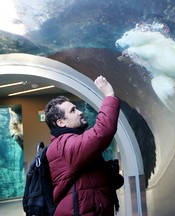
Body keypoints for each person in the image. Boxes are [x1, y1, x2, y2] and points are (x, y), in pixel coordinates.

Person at [44, 75, 121, 216]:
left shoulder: (69, 141)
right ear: (61, 122)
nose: (80, 112)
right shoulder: (63, 145)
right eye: (73, 111)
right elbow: (102, 133)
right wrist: (109, 95)